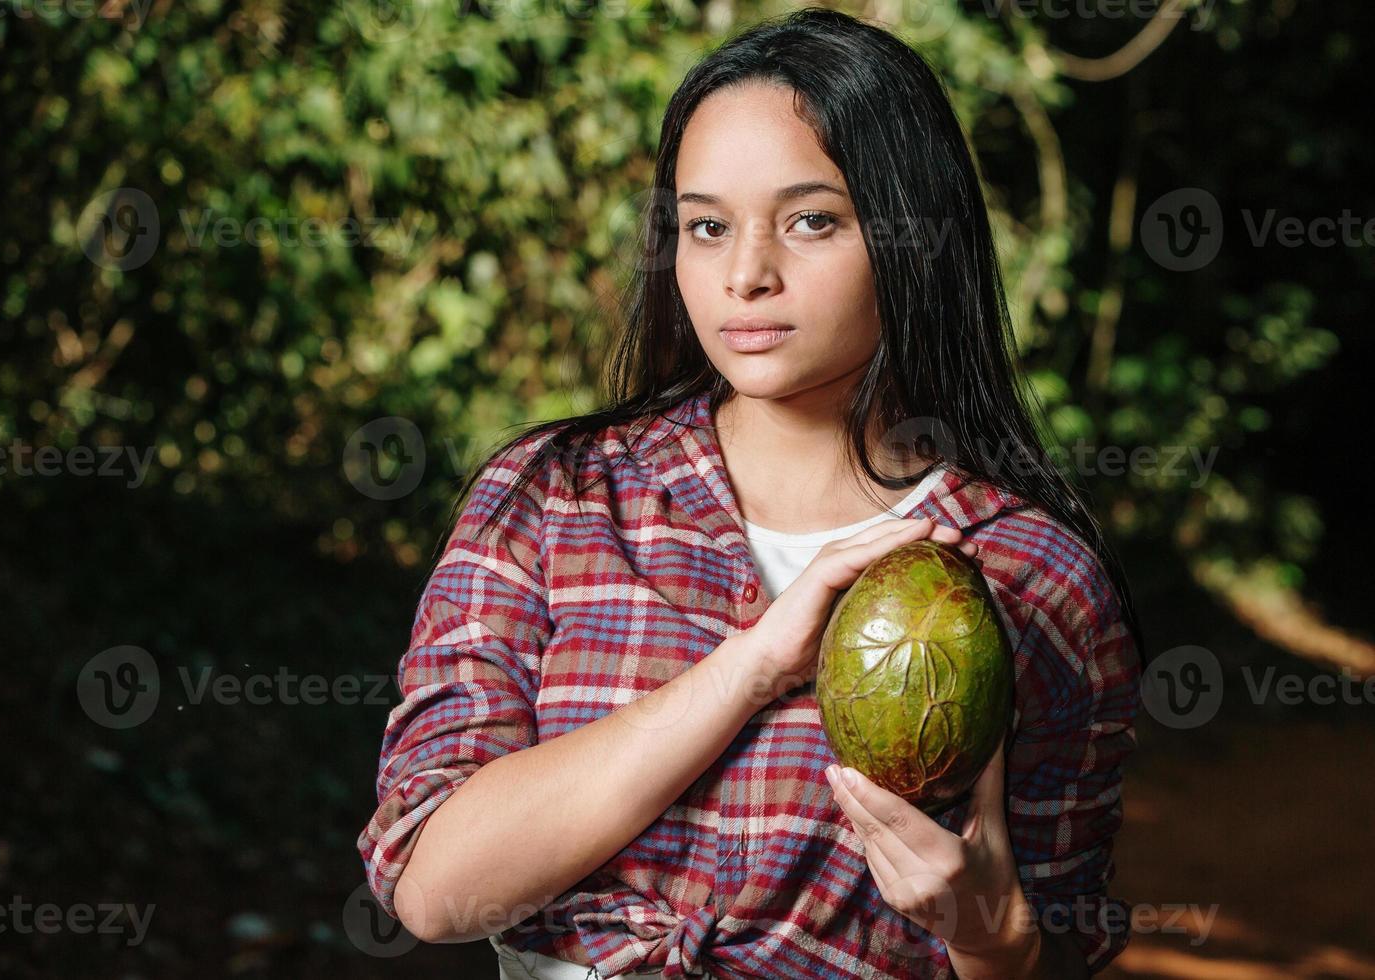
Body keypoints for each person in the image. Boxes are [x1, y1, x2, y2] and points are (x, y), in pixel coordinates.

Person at [357, 8, 1143, 979]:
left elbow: (1050, 952)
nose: (745, 274)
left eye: (811, 219)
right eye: (705, 225)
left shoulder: (1030, 579)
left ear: (909, 234)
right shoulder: (554, 497)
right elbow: (435, 891)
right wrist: (756, 662)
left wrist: (987, 931)